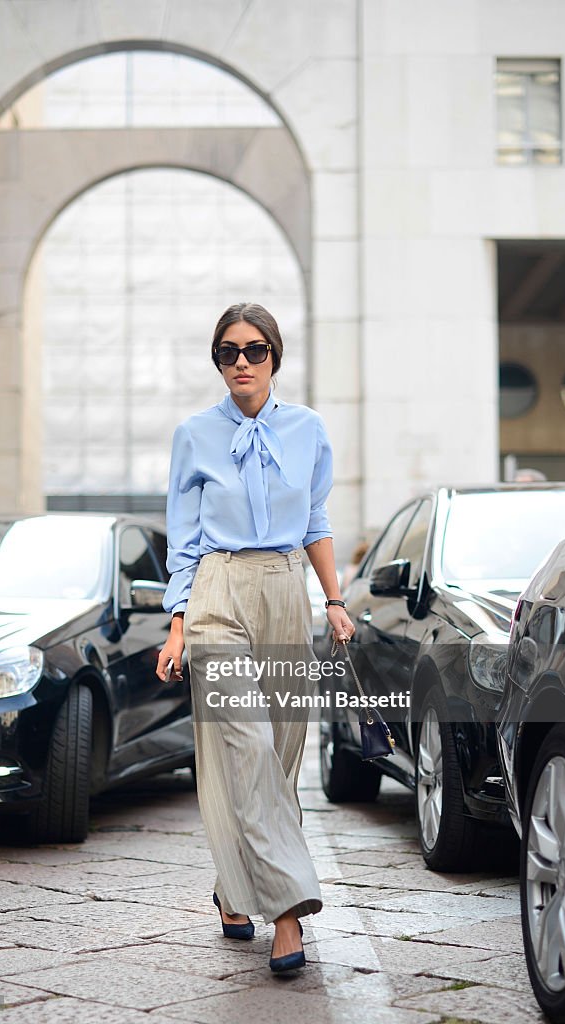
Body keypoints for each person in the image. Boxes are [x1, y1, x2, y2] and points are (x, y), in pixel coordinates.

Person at [156, 302, 355, 974]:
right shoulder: (193, 434)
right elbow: (183, 538)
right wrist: (177, 623)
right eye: (227, 352)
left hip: (283, 588)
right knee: (248, 740)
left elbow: (317, 518)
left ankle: (235, 885)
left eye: (255, 349)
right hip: (216, 590)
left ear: (275, 357)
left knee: (280, 757)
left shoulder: (308, 430)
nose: (241, 361)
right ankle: (290, 912)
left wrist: (333, 600)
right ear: (216, 361)